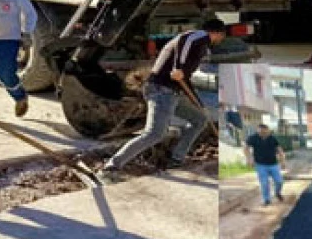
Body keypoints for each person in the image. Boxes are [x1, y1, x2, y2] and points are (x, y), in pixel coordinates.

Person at [97, 20, 227, 181]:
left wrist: (199, 104)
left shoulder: (200, 43)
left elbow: (184, 79)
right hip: (162, 91)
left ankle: (176, 159)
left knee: (199, 119)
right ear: (218, 33)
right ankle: (110, 167)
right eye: (222, 36)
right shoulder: (197, 37)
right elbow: (184, 44)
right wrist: (179, 67)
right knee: (154, 134)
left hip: (173, 92)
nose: (221, 39)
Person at [245, 123, 287, 205]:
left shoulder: (272, 139)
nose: (262, 134)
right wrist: (249, 159)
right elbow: (246, 148)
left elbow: (280, 150)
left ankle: (277, 193)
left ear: (267, 131)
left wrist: (283, 162)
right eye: (260, 132)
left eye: (264, 132)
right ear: (258, 131)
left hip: (273, 164)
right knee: (264, 183)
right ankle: (266, 199)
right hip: (260, 165)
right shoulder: (253, 138)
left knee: (279, 181)